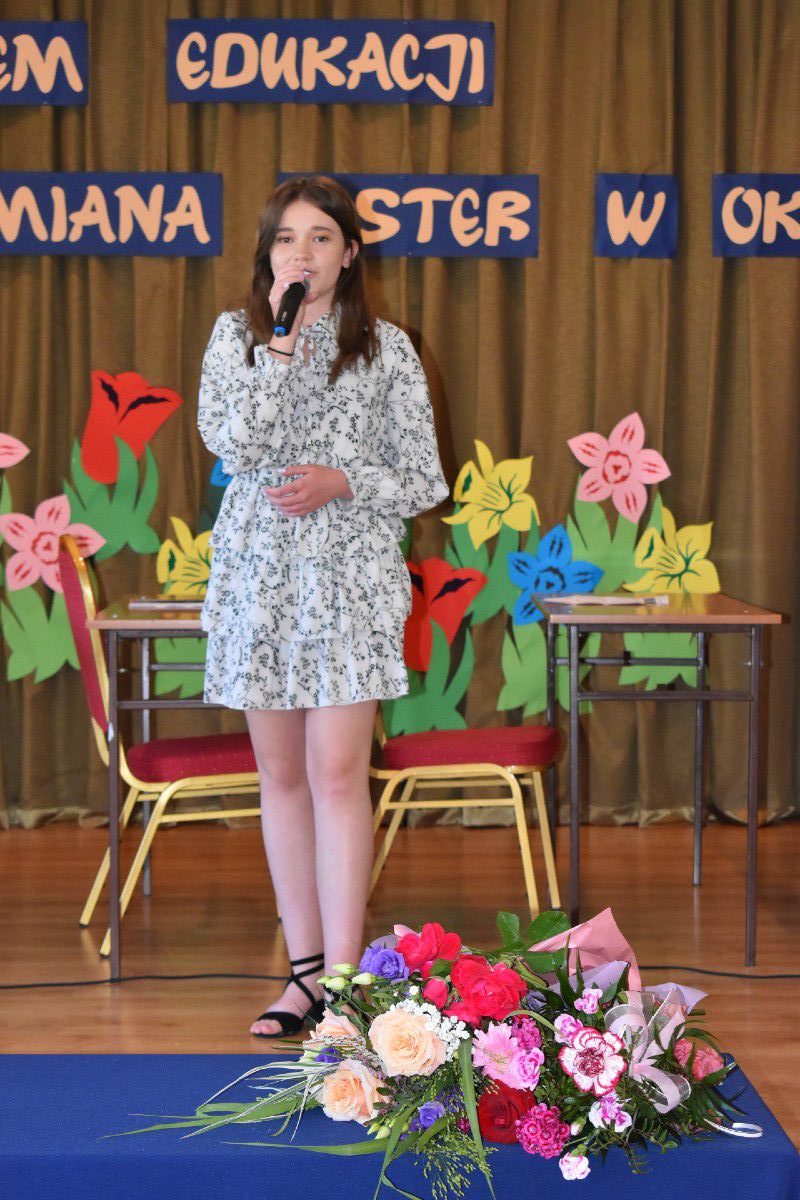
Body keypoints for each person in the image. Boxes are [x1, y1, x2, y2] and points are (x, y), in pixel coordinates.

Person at [197, 175, 449, 1037]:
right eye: (286, 239)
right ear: (267, 253)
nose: (301, 254)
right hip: (259, 578)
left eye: (320, 238)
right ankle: (302, 974)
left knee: (338, 774)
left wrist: (345, 480)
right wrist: (276, 347)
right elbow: (232, 443)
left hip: (350, 580)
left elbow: (424, 479)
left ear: (350, 253)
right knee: (279, 777)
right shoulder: (235, 337)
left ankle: (346, 985)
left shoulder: (386, 348)